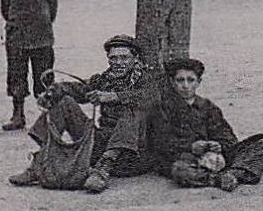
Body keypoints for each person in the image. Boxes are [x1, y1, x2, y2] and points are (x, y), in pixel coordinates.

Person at [9, 35, 157, 192]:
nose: (119, 63)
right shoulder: (104, 79)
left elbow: (152, 97)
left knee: (132, 108)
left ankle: (102, 170)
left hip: (133, 155)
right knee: (65, 102)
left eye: (124, 58)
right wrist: (53, 92)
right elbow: (80, 89)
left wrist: (113, 96)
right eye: (114, 58)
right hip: (101, 145)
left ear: (135, 58)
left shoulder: (147, 79)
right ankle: (40, 162)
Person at [151, 58, 263, 191]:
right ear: (172, 83)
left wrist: (218, 146)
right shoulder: (163, 108)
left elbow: (228, 137)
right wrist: (191, 147)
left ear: (198, 82)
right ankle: (216, 179)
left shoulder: (208, 107)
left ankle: (233, 173)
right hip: (186, 158)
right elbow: (160, 142)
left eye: (191, 80)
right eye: (180, 80)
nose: (185, 86)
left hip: (216, 157)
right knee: (179, 170)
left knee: (261, 141)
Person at [0, 0, 58, 132]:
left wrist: (40, 25)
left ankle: (48, 116)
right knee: (16, 75)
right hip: (17, 39)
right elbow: (5, 9)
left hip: (41, 38)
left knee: (44, 76)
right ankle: (18, 115)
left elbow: (52, 8)